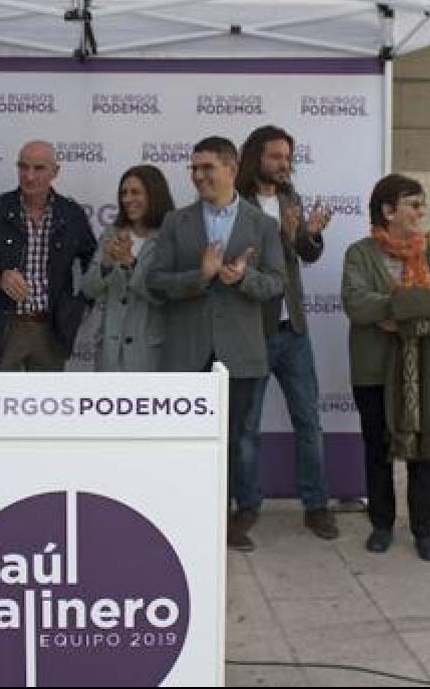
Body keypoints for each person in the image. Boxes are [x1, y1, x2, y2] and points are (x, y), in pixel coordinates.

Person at [148, 136, 285, 552]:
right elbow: (155, 283)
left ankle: (239, 517)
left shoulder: (263, 225)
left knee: (241, 439)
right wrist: (201, 276)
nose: (199, 176)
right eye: (194, 168)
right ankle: (188, 512)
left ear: (231, 168)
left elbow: (277, 283)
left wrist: (243, 278)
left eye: (207, 167)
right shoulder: (177, 221)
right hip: (187, 351)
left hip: (241, 350)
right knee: (187, 439)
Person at [342, 174, 430, 562]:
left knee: (428, 450)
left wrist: (397, 309)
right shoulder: (359, 254)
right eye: (414, 204)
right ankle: (381, 525)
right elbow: (357, 304)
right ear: (388, 210)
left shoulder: (427, 252)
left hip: (429, 370)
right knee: (377, 448)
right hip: (375, 370)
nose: (421, 212)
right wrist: (413, 304)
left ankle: (424, 529)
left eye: (421, 204)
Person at [235, 125, 338, 541]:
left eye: (288, 157)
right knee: (245, 429)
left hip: (293, 330)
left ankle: (316, 505)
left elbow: (303, 255)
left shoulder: (289, 199)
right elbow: (250, 257)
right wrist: (285, 233)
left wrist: (310, 233)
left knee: (308, 421)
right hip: (251, 331)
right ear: (256, 156)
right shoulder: (235, 204)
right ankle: (246, 507)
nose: (284, 164)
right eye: (276, 156)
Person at [0, 140, 97, 371]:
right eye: (23, 167)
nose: (29, 176)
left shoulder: (71, 214)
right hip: (5, 325)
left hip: (50, 327)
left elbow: (93, 261)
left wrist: (81, 305)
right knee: (2, 403)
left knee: (48, 404)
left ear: (55, 172)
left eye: (39, 168)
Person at [80, 165, 175, 371]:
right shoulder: (111, 234)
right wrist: (106, 263)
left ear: (154, 195)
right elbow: (88, 289)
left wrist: (131, 263)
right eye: (124, 193)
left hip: (149, 354)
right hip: (109, 355)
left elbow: (162, 294)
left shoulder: (169, 236)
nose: (127, 199)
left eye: (136, 192)